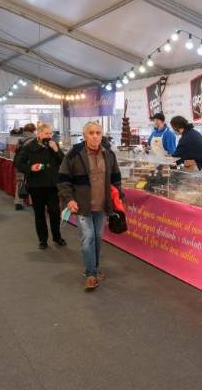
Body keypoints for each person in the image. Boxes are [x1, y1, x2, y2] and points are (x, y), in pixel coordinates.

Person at [58, 121, 123, 290]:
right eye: (91, 133)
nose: (95, 136)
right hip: (82, 206)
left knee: (98, 239)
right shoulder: (74, 153)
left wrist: (118, 197)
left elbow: (116, 178)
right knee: (88, 238)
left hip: (102, 206)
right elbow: (63, 179)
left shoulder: (109, 154)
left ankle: (94, 268)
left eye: (98, 133)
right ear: (85, 135)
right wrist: (69, 199)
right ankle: (91, 274)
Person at [16, 124, 66, 249]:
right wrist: (30, 168)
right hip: (36, 185)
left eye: (50, 134)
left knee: (54, 212)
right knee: (39, 214)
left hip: (52, 185)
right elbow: (18, 163)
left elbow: (63, 162)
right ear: (39, 134)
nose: (49, 136)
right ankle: (42, 240)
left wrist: (56, 150)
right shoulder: (29, 147)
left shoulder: (54, 145)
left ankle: (57, 237)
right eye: (46, 133)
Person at [13, 123, 37, 210]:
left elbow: (16, 152)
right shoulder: (35, 140)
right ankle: (32, 201)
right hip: (31, 164)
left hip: (20, 164)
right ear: (34, 130)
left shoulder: (20, 140)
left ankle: (18, 202)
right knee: (33, 183)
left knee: (20, 183)